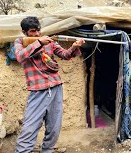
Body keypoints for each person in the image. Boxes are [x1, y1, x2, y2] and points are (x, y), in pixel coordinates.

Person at [14, 16, 85, 153]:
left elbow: (65, 55)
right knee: (29, 129)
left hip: (56, 87)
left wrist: (74, 47)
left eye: (38, 31)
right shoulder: (20, 42)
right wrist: (39, 42)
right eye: (33, 31)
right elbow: (20, 56)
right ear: (24, 32)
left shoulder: (49, 41)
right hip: (38, 91)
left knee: (54, 129)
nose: (37, 34)